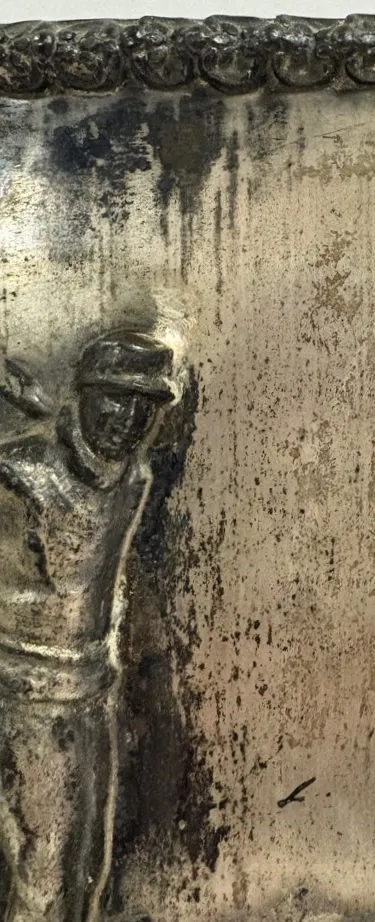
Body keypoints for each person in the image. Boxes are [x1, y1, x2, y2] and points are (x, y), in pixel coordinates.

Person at [0, 330, 180, 922]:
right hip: (25, 699)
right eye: (114, 399)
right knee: (45, 876)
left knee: (85, 870)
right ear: (83, 395)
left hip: (90, 695)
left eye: (144, 406)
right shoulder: (17, 473)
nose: (128, 420)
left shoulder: (133, 477)